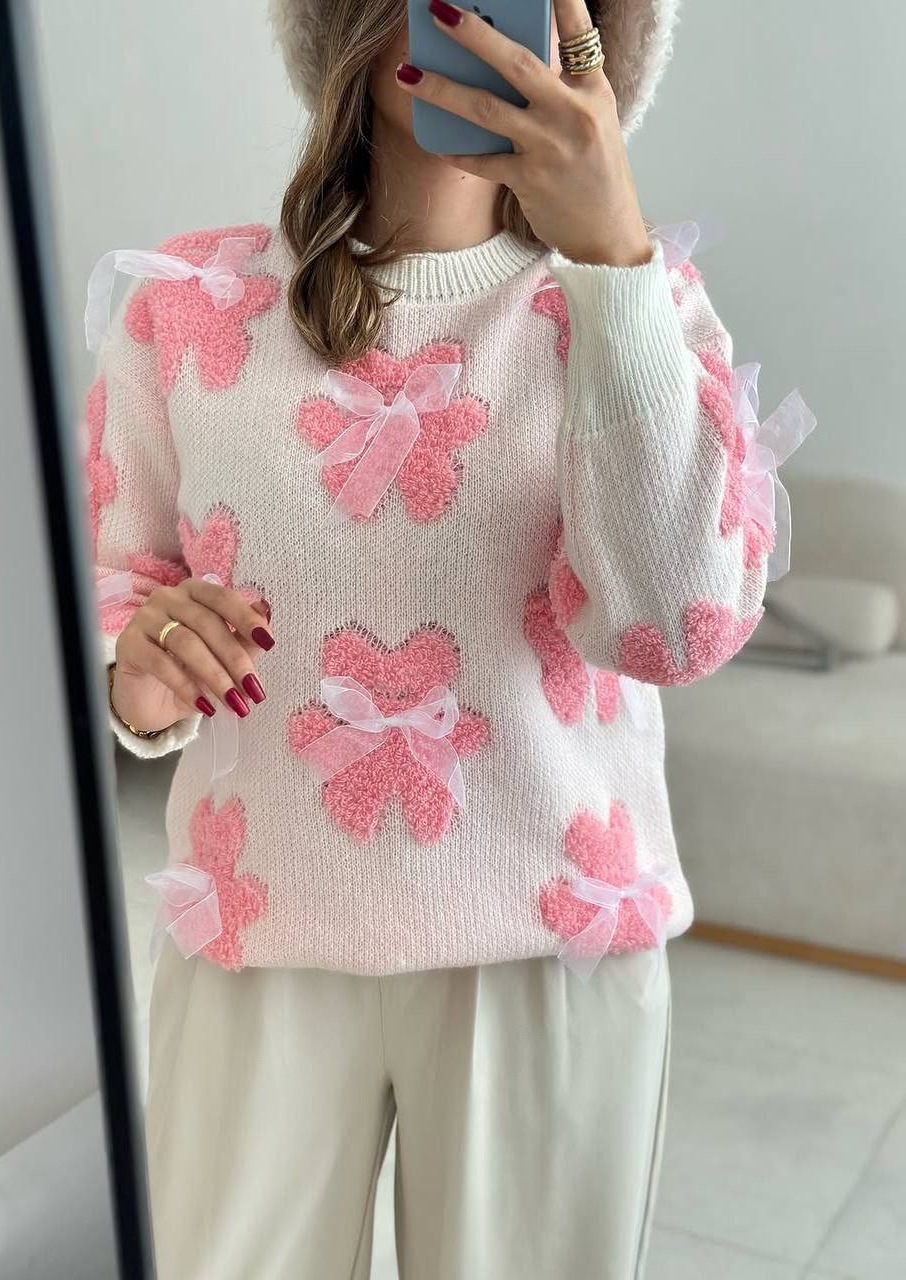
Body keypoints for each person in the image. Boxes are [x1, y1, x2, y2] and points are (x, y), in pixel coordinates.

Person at [87, 2, 772, 1275]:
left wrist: (613, 261)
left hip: (552, 938)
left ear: (590, 37)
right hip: (257, 927)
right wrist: (137, 669)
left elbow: (674, 626)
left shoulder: (639, 302)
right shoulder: (187, 309)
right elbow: (114, 585)